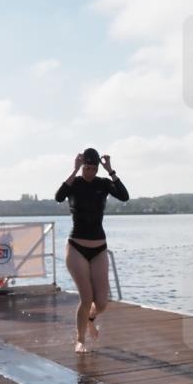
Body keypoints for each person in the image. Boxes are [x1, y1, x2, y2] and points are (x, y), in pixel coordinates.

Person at [55, 148, 128, 353]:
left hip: (99, 248)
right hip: (76, 246)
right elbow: (59, 197)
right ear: (82, 166)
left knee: (102, 303)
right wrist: (74, 169)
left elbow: (124, 196)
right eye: (86, 168)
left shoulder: (103, 184)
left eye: (93, 168)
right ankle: (80, 339)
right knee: (86, 298)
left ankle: (89, 319)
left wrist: (110, 171)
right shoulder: (75, 183)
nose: (89, 172)